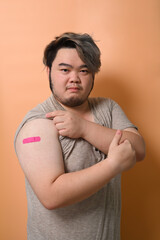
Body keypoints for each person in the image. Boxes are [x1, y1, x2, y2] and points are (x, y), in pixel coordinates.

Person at [14, 32, 145, 240]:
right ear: (49, 71)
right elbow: (51, 195)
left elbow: (137, 149)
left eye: (84, 70)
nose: (74, 78)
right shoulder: (38, 123)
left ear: (93, 74)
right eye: (65, 70)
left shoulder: (108, 108)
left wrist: (84, 128)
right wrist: (112, 165)